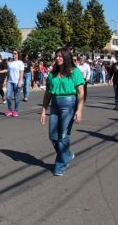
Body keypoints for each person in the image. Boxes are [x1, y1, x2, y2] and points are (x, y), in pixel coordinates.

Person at [40, 47, 84, 176]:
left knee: (63, 136)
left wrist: (79, 110)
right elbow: (47, 93)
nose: (58, 58)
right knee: (53, 136)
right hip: (54, 104)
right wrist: (43, 110)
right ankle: (67, 155)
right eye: (56, 56)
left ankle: (60, 165)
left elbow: (81, 92)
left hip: (69, 105)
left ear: (66, 57)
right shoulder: (52, 73)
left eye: (60, 56)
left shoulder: (74, 72)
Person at [5, 50, 24, 117]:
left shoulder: (20, 63)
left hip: (17, 82)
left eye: (15, 53)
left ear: (18, 54)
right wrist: (6, 81)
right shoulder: (10, 63)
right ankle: (9, 110)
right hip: (10, 81)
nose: (13, 54)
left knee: (16, 97)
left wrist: (20, 81)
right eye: (13, 53)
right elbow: (8, 73)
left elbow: (21, 73)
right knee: (8, 96)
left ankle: (16, 111)